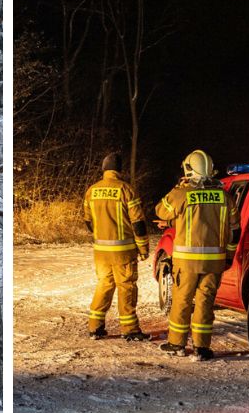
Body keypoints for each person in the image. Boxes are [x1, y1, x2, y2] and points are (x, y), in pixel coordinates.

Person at [154, 150, 235, 360]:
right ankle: (202, 347)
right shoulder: (224, 196)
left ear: (189, 169)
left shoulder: (183, 193)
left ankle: (176, 343)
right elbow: (234, 228)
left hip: (187, 262)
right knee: (205, 302)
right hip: (214, 263)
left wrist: (179, 187)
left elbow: (160, 210)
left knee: (182, 300)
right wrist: (229, 255)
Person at [83, 152, 149, 341]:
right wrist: (143, 248)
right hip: (123, 252)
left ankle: (95, 326)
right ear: (119, 170)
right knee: (126, 286)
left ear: (104, 169)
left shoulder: (92, 190)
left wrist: (101, 234)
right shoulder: (126, 190)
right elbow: (138, 223)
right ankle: (130, 329)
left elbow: (88, 221)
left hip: (101, 252)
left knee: (104, 284)